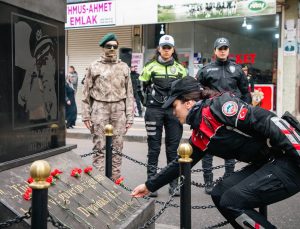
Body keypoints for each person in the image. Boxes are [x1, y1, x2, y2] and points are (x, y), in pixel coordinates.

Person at [131, 76, 300, 229]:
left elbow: (271, 122)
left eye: (175, 106)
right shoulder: (200, 132)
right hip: (267, 163)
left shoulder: (220, 107)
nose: (173, 113)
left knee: (232, 201)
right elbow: (181, 164)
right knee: (219, 193)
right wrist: (148, 186)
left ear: (188, 102)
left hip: (288, 161)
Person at [196, 37, 251, 194]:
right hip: (211, 115)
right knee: (208, 148)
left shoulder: (237, 69)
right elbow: (197, 91)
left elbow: (246, 92)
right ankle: (208, 182)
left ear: (228, 50)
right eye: (219, 48)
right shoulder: (206, 70)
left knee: (231, 147)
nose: (222, 51)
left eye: (225, 48)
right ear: (215, 51)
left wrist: (245, 112)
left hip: (231, 115)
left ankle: (228, 179)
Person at [139, 34, 187, 197]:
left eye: (169, 48)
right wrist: (146, 104)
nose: (166, 50)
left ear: (173, 49)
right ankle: (151, 184)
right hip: (154, 111)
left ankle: (174, 185)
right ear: (159, 48)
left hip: (173, 112)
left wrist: (181, 105)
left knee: (173, 149)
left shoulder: (181, 69)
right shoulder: (150, 66)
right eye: (163, 47)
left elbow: (186, 91)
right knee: (154, 148)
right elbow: (140, 86)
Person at [81, 33, 134, 180]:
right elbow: (85, 93)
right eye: (108, 46)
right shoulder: (94, 66)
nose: (111, 49)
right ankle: (99, 183)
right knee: (99, 147)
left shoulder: (124, 67)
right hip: (99, 109)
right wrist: (85, 115)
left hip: (119, 110)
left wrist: (130, 117)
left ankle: (115, 182)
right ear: (102, 47)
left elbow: (129, 94)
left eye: (114, 46)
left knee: (117, 148)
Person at [18, 25, 57, 122]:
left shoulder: (50, 75)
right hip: (37, 114)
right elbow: (22, 97)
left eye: (49, 55)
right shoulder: (32, 73)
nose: (48, 59)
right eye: (44, 56)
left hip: (48, 116)